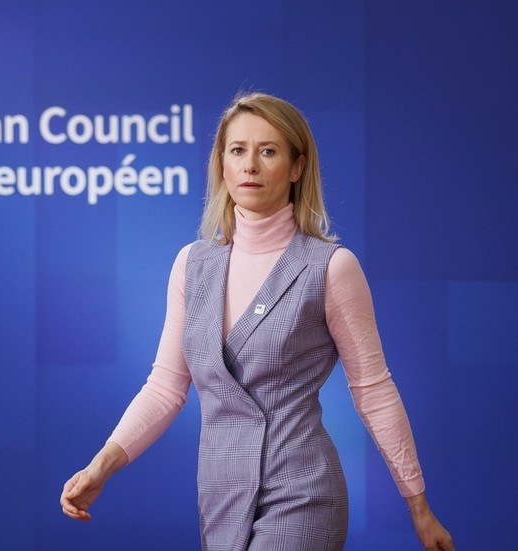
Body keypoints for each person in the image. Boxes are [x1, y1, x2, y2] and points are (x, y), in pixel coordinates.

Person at [59, 92, 454, 551]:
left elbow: (374, 390)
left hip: (303, 492)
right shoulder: (192, 266)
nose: (250, 165)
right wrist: (101, 466)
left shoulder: (331, 267)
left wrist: (418, 506)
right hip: (220, 499)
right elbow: (165, 387)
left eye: (267, 151)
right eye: (237, 150)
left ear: (297, 167)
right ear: (222, 164)